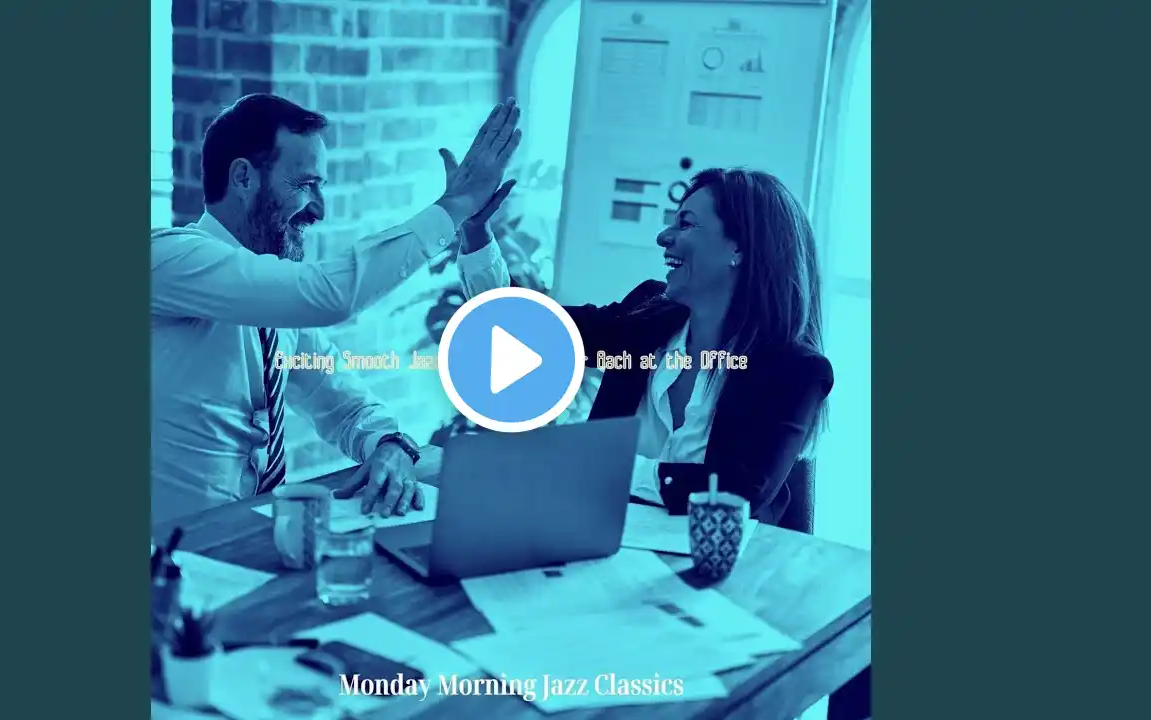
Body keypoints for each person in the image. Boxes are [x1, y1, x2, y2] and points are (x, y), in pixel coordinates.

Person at [151, 94, 520, 526]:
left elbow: (343, 403)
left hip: (252, 538)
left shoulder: (274, 304)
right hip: (165, 551)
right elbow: (328, 294)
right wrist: (455, 206)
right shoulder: (168, 259)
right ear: (244, 177)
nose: (319, 210)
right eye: (305, 184)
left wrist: (389, 443)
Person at [462, 168, 832, 525]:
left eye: (686, 224)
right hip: (600, 540)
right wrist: (476, 230)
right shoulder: (647, 316)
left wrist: (608, 467)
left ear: (739, 248)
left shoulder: (794, 370)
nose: (663, 237)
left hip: (718, 561)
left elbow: (738, 491)